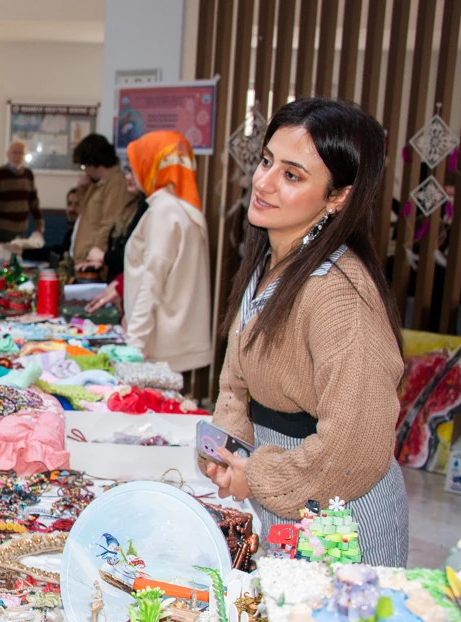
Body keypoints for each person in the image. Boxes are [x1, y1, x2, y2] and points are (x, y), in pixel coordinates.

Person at [200, 98, 408, 567]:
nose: (264, 182)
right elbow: (235, 385)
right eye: (267, 161)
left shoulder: (340, 293)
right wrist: (227, 449)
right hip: (285, 489)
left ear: (338, 197)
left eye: (292, 176)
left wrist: (258, 475)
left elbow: (353, 446)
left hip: (339, 510)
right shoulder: (271, 263)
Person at [104, 131, 211, 372]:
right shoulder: (181, 208)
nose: (129, 175)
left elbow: (152, 280)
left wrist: (134, 343)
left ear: (151, 165)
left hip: (157, 346)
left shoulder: (165, 211)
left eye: (134, 166)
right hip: (171, 341)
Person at [71, 134, 134, 278]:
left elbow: (109, 224)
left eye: (84, 166)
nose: (85, 171)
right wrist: (82, 190)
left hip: (94, 266)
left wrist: (95, 258)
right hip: (85, 263)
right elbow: (85, 215)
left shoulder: (116, 184)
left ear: (93, 163)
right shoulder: (98, 184)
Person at [0, 141, 44, 244]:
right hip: (2, 227)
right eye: (14, 153)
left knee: (18, 253)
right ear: (8, 154)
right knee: (4, 253)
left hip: (22, 227)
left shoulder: (28, 175)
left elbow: (34, 201)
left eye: (21, 153)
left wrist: (39, 224)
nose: (17, 156)